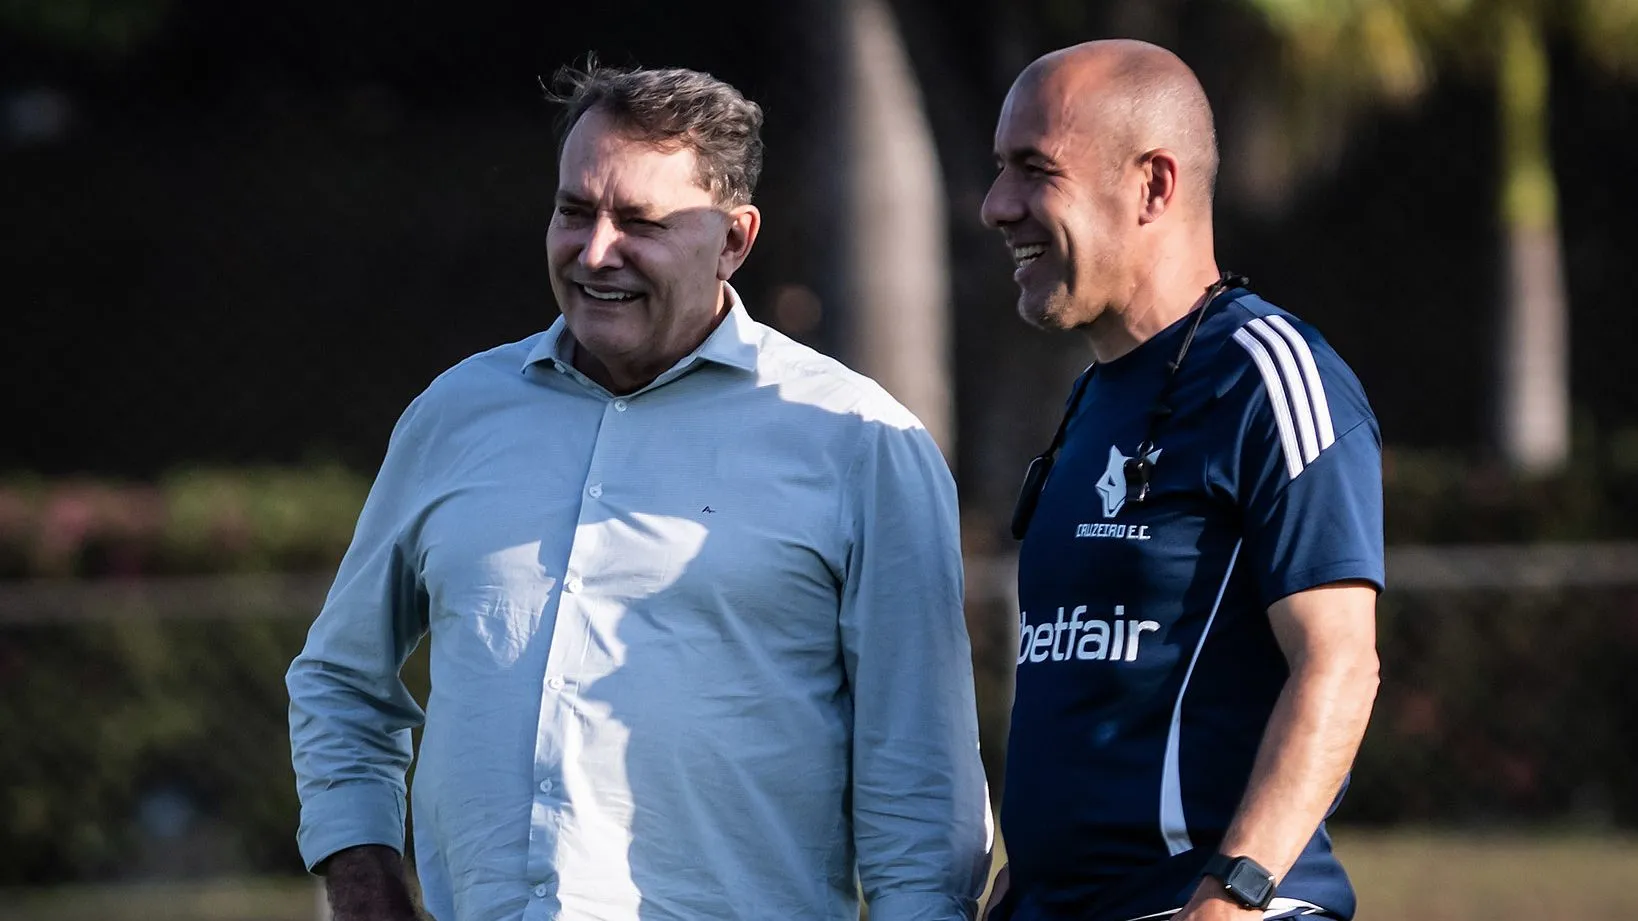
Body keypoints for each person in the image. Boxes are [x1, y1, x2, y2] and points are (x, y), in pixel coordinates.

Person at [287, 62, 991, 921]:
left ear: (734, 239)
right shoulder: (455, 415)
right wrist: (364, 885)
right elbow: (339, 679)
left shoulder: (858, 441)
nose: (593, 253)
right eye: (573, 211)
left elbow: (920, 784)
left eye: (640, 223)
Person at [979, 40, 1383, 921]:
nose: (995, 206)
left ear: (1153, 185)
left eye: (1033, 170)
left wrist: (1234, 894)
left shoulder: (1266, 374)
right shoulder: (1092, 395)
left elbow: (1341, 664)